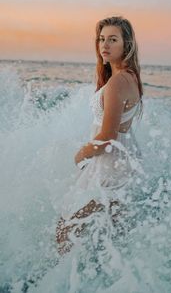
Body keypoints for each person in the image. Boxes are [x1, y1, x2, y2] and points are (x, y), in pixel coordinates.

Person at [56, 16, 143, 255]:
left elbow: (107, 137)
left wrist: (81, 155)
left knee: (66, 228)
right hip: (118, 164)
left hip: (110, 168)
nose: (104, 45)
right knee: (109, 238)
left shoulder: (117, 82)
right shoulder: (129, 77)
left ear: (127, 44)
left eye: (113, 39)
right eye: (102, 39)